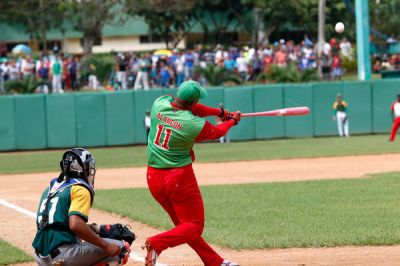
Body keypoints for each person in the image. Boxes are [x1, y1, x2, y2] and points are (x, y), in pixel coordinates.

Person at [144, 80, 240, 266]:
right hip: (178, 178)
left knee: (184, 227)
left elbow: (194, 108)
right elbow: (217, 131)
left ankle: (213, 261)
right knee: (194, 226)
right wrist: (231, 121)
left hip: (153, 177)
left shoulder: (159, 104)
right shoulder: (191, 124)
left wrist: (220, 112)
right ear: (192, 102)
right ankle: (156, 244)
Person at [32, 148, 131, 265]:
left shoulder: (51, 188)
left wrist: (96, 229)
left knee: (79, 239)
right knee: (121, 247)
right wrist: (106, 246)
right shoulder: (80, 189)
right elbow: (75, 225)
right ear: (81, 168)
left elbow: (59, 224)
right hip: (62, 258)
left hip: (41, 257)